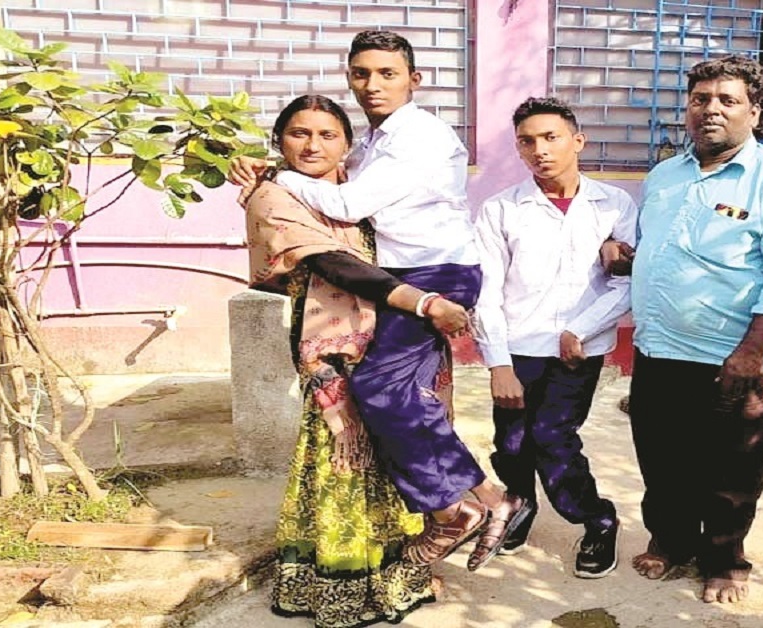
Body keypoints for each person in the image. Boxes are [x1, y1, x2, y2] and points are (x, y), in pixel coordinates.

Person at [231, 31, 531, 572]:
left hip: (431, 277)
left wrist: (276, 173)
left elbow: (349, 203)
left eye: (387, 73)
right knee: (404, 401)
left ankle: (461, 510)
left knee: (380, 389)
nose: (372, 84)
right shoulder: (375, 141)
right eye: (361, 73)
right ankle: (489, 500)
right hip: (402, 283)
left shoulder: (417, 135)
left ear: (414, 80)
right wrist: (260, 167)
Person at [244, 95, 474, 626]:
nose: (312, 145)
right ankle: (344, 590)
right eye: (298, 133)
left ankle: (403, 576)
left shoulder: (356, 190)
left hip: (396, 346)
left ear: (347, 146)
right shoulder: (274, 197)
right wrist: (426, 303)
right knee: (344, 472)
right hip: (336, 356)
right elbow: (340, 267)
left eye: (327, 135)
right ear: (279, 141)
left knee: (399, 463)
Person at [603, 56, 763, 603]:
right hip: (658, 347)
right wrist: (626, 257)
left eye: (728, 100)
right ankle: (671, 540)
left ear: (755, 112)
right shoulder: (665, 176)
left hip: (733, 354)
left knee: (733, 467)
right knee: (662, 457)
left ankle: (724, 559)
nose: (711, 110)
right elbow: (663, 249)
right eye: (701, 99)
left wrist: (752, 351)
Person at [471, 97, 635, 578]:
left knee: (553, 437)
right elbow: (487, 291)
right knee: (511, 443)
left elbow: (629, 280)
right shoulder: (501, 209)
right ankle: (519, 508)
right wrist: (499, 364)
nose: (540, 150)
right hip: (518, 347)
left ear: (577, 141)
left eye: (551, 137)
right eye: (527, 141)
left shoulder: (614, 205)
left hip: (578, 352)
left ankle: (597, 520)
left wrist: (579, 329)